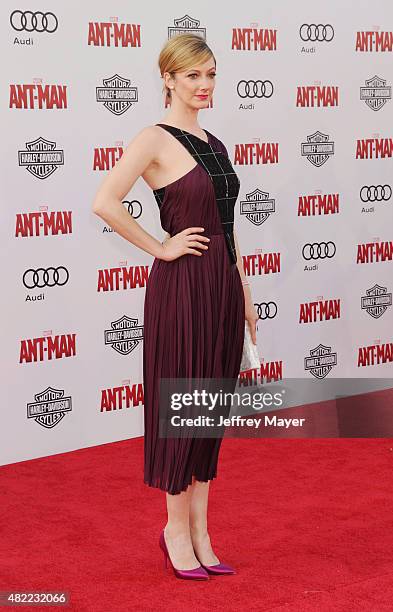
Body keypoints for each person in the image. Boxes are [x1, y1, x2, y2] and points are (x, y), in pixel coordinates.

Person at [92, 33, 258, 580]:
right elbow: (104, 201)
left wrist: (245, 291)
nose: (205, 85)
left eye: (211, 74)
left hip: (221, 290)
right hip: (182, 288)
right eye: (193, 76)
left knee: (209, 415)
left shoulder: (215, 141)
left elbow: (229, 230)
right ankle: (174, 532)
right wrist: (161, 246)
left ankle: (202, 533)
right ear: (168, 78)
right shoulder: (153, 138)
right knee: (184, 412)